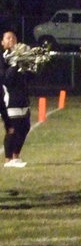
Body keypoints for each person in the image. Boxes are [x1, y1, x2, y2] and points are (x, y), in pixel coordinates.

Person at [2, 31, 31, 168]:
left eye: (14, 37)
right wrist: (14, 64)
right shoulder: (3, 59)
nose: (11, 39)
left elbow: (29, 78)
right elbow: (6, 79)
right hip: (9, 99)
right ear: (2, 42)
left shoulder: (22, 58)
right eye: (8, 38)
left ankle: (16, 156)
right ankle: (8, 160)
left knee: (24, 127)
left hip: (23, 98)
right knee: (12, 129)